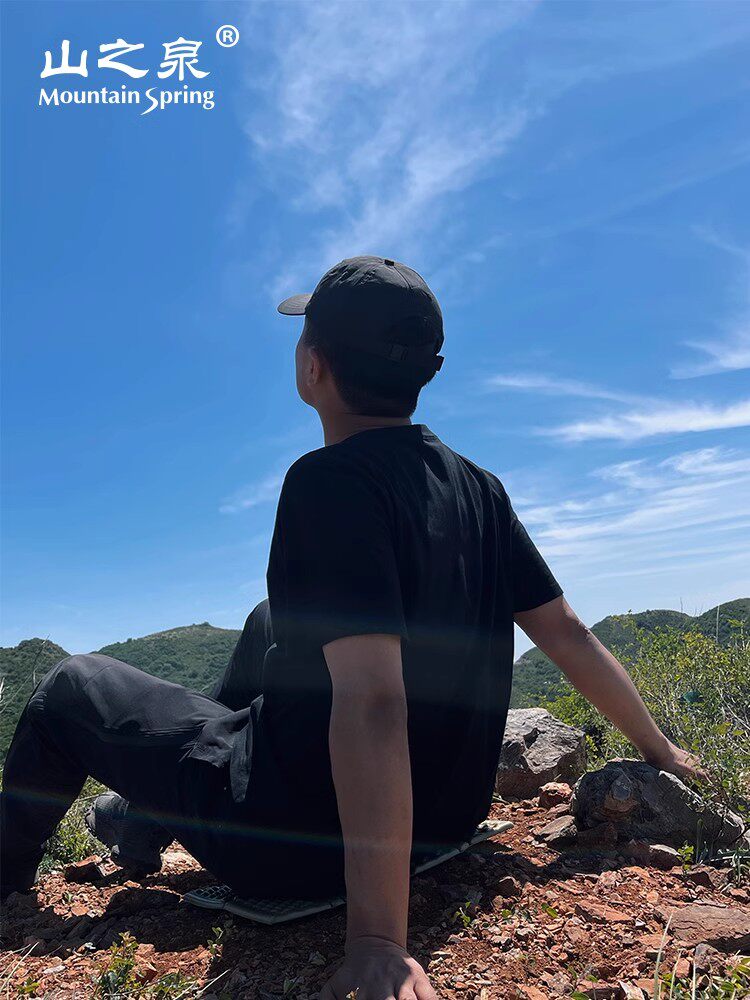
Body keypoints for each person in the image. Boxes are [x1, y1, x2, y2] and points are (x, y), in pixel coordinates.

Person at [1, 256, 702, 1000]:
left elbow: (372, 702)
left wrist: (377, 942)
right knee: (271, 622)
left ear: (313, 368)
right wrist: (659, 749)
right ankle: (145, 823)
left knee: (68, 684)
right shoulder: (479, 488)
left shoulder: (327, 482)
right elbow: (567, 634)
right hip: (445, 817)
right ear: (428, 370)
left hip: (296, 842)